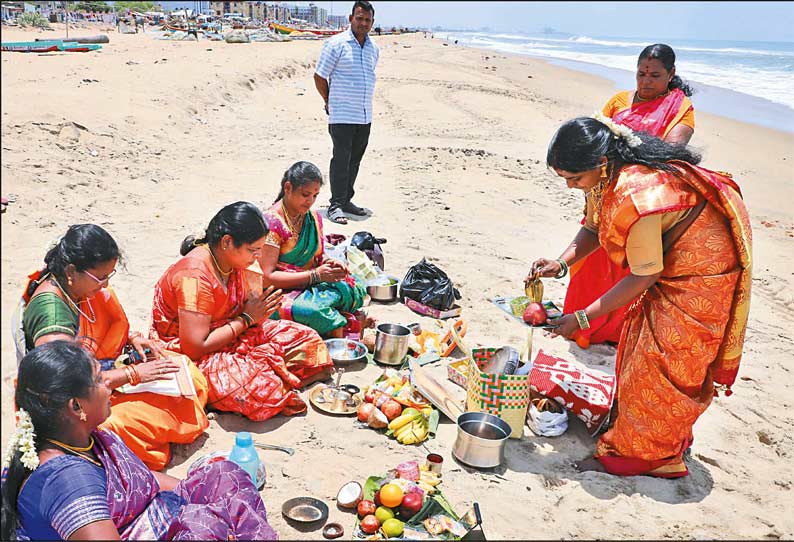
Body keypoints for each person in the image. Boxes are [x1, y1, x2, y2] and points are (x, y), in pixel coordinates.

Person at [530, 116, 751, 477]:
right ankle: (641, 432)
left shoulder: (637, 194)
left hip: (700, 273)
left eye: (574, 179)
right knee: (640, 350)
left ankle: (652, 457)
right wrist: (561, 263)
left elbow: (645, 274)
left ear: (600, 163)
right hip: (669, 262)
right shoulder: (605, 179)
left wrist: (582, 317)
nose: (571, 187)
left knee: (666, 361)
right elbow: (593, 226)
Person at [0, 341, 278, 541]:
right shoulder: (69, 482)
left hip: (147, 515)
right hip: (138, 528)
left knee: (222, 475)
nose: (110, 384)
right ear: (76, 407)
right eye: (99, 379)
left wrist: (191, 495)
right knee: (204, 527)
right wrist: (200, 517)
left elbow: (142, 481)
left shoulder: (80, 438)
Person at [13, 224, 209, 471]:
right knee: (119, 425)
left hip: (100, 373)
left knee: (180, 368)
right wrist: (132, 375)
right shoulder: (53, 319)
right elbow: (65, 387)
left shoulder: (73, 285)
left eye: (109, 276)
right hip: (70, 407)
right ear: (72, 270)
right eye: (100, 277)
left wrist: (131, 340)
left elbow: (103, 326)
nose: (105, 286)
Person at [564, 43, 697, 347]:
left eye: (654, 75)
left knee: (633, 267)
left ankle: (615, 332)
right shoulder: (619, 101)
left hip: (641, 200)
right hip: (604, 194)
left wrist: (631, 163)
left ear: (671, 75)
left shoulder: (679, 108)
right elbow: (594, 141)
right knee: (592, 264)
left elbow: (673, 152)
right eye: (641, 74)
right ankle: (582, 323)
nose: (646, 81)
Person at [150, 201, 334, 421]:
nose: (257, 258)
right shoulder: (194, 277)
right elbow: (195, 347)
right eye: (253, 251)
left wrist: (258, 314)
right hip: (191, 351)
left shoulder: (234, 261)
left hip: (233, 331)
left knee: (308, 339)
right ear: (227, 242)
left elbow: (245, 309)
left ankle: (271, 377)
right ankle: (260, 382)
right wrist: (247, 318)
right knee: (265, 392)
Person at [259, 161, 367, 337]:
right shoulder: (273, 223)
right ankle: (338, 328)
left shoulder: (312, 218)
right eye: (305, 195)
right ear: (288, 188)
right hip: (280, 290)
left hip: (309, 280)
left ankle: (339, 322)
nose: (310, 201)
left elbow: (317, 256)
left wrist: (330, 263)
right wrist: (315, 275)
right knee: (313, 311)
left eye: (315, 196)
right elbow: (266, 278)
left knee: (355, 286)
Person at [313, 0, 379, 224]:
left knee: (355, 161)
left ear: (372, 23)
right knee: (341, 159)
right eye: (359, 18)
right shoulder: (336, 44)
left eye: (367, 20)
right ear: (351, 18)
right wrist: (328, 101)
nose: (363, 23)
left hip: (364, 115)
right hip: (342, 114)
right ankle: (336, 204)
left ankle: (347, 200)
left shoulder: (373, 48)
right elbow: (320, 76)